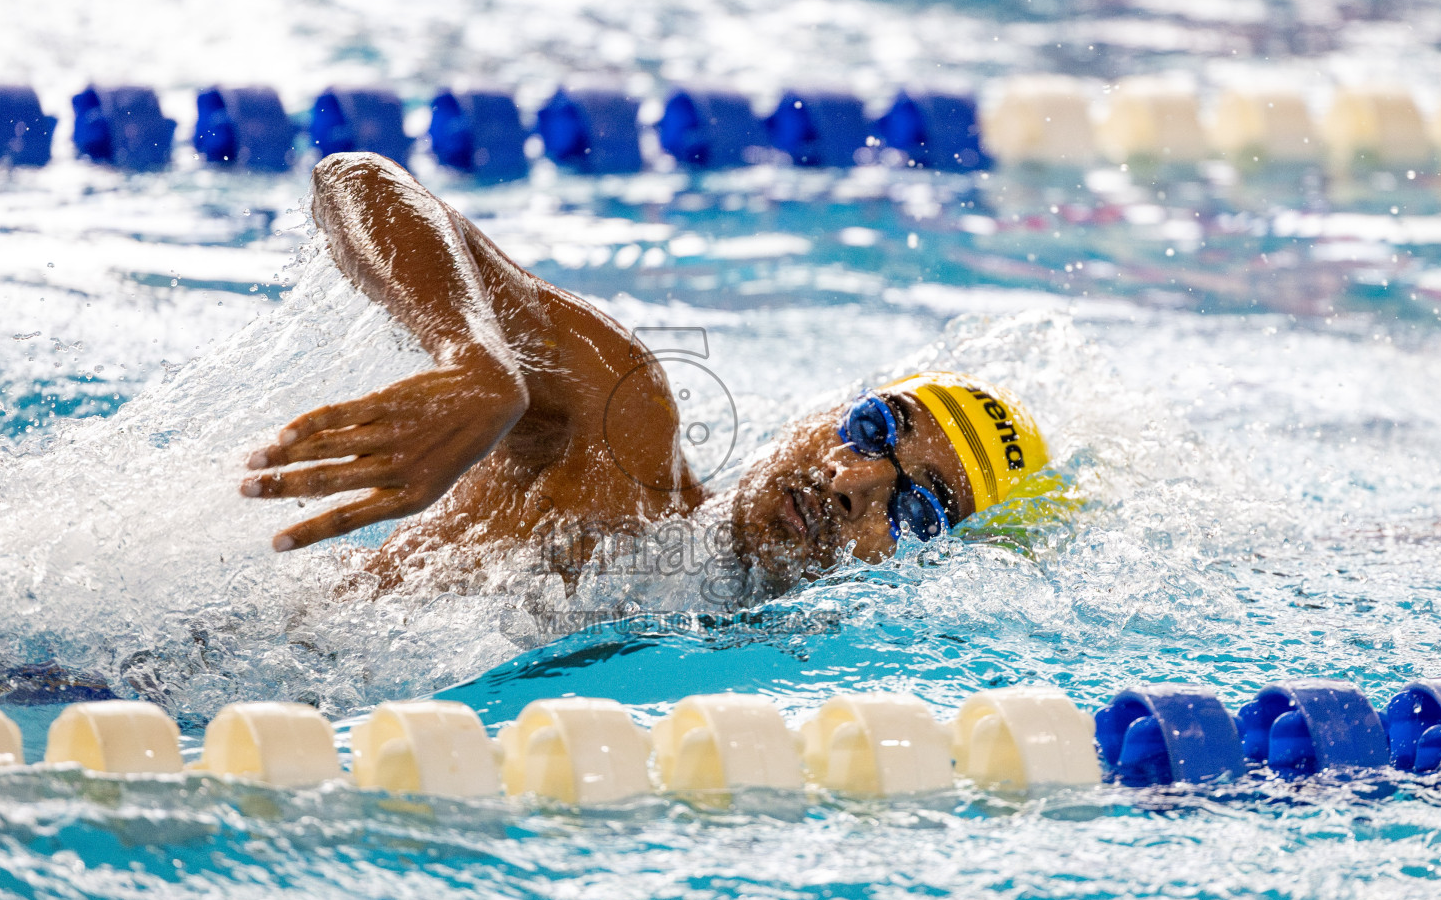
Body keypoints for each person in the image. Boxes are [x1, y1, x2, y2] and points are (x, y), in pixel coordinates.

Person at [240, 152, 1050, 596]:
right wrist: (473, 357)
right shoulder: (617, 430)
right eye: (875, 425)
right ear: (828, 407)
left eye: (922, 506)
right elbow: (355, 180)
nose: (855, 478)